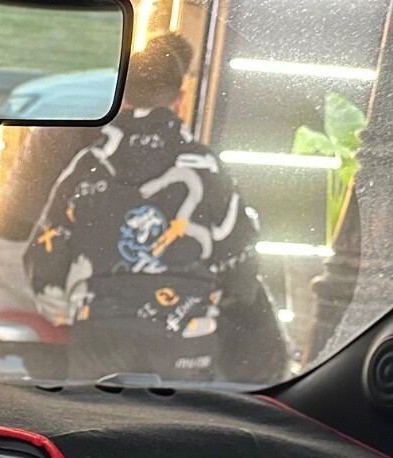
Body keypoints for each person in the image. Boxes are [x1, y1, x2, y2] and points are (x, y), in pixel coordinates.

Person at [24, 34, 286, 384]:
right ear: (180, 100)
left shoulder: (87, 166)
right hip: (185, 338)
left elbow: (42, 258)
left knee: (94, 415)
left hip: (100, 338)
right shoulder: (207, 169)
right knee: (175, 418)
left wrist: (66, 309)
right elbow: (240, 265)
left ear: (120, 99)